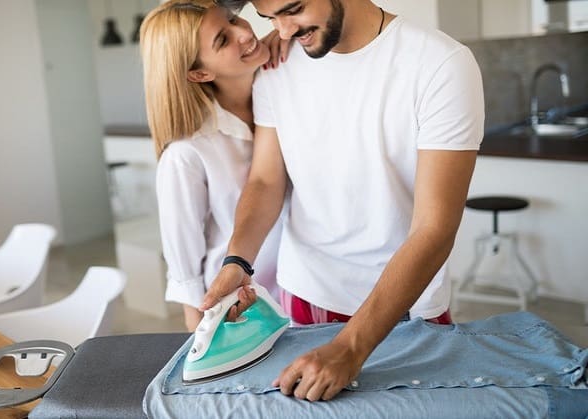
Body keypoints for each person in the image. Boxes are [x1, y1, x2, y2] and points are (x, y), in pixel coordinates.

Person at [200, 0, 484, 402]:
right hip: (305, 292)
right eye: (271, 19)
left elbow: (434, 228)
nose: (282, 33)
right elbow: (265, 180)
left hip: (405, 304)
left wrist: (351, 348)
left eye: (292, 9)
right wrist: (237, 261)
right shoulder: (277, 67)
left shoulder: (441, 64)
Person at [139, 0, 289, 331]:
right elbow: (187, 277)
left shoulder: (282, 92)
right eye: (223, 39)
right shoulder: (186, 155)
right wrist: (199, 347)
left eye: (234, 19)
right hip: (240, 316)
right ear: (199, 73)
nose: (244, 33)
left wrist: (285, 33)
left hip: (304, 298)